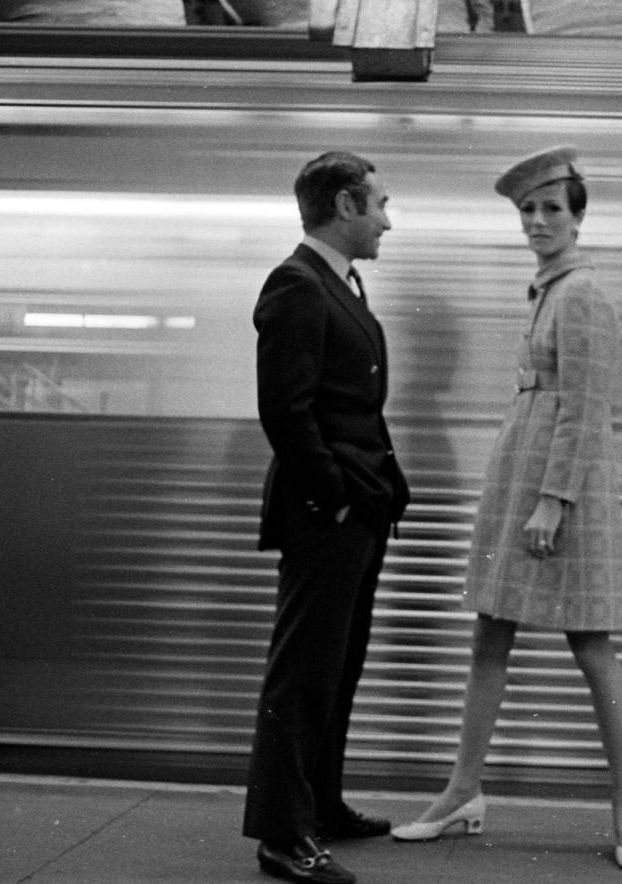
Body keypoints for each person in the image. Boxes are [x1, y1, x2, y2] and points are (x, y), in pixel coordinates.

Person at [390, 146, 622, 870]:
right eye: (528, 210)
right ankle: (461, 792)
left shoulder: (582, 294)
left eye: (551, 209)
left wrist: (554, 502)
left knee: (591, 643)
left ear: (577, 218)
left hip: (562, 489)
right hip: (522, 478)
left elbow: (586, 409)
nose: (538, 221)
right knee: (489, 633)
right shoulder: (548, 289)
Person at [243, 150, 411, 884]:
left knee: (336, 668)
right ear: (345, 205)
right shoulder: (297, 284)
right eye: (380, 204)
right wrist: (336, 494)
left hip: (359, 508)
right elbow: (286, 409)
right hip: (327, 513)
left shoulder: (339, 282)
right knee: (304, 674)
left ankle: (322, 805)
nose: (386, 221)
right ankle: (283, 836)